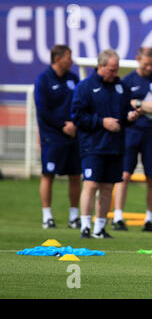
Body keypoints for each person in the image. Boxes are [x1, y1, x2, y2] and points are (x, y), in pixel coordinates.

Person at [71, 49, 139, 239]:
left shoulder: (121, 87)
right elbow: (77, 116)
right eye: (111, 70)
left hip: (115, 146)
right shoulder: (85, 87)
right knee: (91, 185)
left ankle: (100, 228)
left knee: (108, 187)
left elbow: (125, 113)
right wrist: (101, 121)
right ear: (100, 66)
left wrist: (131, 116)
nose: (115, 74)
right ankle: (85, 226)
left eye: (116, 70)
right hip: (92, 145)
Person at [112, 47, 152, 232]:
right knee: (124, 175)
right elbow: (123, 104)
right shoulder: (128, 81)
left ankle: (149, 218)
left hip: (151, 134)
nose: (149, 67)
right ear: (138, 59)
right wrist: (147, 106)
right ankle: (118, 216)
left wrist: (137, 103)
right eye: (146, 64)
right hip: (130, 133)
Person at [34, 45, 81, 229]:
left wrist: (74, 124)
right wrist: (62, 126)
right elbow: (43, 110)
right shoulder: (44, 80)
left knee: (75, 175)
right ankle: (47, 216)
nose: (72, 60)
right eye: (69, 57)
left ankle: (74, 216)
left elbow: (79, 104)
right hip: (52, 136)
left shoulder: (73, 79)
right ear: (57, 58)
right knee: (48, 174)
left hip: (72, 135)